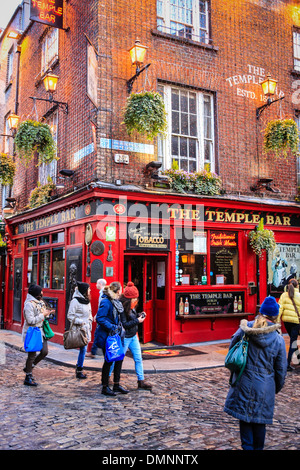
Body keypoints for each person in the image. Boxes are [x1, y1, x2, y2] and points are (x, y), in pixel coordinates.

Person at [224, 296, 287, 450]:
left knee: (245, 424)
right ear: (275, 315)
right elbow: (281, 370)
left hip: (244, 382)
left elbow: (232, 352)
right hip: (265, 387)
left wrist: (235, 374)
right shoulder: (278, 340)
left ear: (261, 312)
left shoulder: (245, 329)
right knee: (259, 423)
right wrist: (275, 388)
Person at [95, 281, 128, 396]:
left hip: (116, 335)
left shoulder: (116, 301)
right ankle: (105, 387)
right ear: (118, 291)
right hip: (107, 336)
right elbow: (100, 318)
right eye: (120, 291)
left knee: (119, 358)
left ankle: (116, 384)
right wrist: (112, 326)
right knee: (108, 361)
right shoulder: (106, 302)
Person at [119, 281, 152, 390]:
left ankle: (141, 381)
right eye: (135, 299)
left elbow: (132, 318)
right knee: (118, 359)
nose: (136, 301)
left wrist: (139, 315)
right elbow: (125, 324)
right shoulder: (123, 309)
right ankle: (111, 379)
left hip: (133, 336)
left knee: (138, 358)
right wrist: (138, 320)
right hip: (125, 338)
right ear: (129, 300)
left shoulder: (132, 307)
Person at [22, 284, 54, 386]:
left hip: (41, 332)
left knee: (44, 351)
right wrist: (42, 315)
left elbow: (42, 317)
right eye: (41, 291)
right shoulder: (29, 304)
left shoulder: (40, 303)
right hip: (32, 332)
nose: (42, 293)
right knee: (31, 355)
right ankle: (28, 376)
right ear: (36, 293)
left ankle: (29, 367)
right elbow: (30, 320)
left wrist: (47, 314)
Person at [67, 281, 93, 379]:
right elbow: (70, 315)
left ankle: (79, 369)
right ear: (84, 291)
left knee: (83, 349)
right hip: (79, 328)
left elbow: (89, 312)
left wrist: (90, 319)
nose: (90, 290)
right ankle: (79, 370)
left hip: (86, 328)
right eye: (88, 289)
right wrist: (80, 321)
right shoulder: (75, 301)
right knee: (83, 349)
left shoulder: (87, 300)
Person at [278, 279, 300, 371]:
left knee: (292, 340)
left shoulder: (283, 295)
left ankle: (298, 358)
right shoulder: (299, 296)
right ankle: (287, 364)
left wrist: (277, 321)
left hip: (286, 321)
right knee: (293, 342)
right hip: (296, 322)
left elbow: (280, 308)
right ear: (297, 286)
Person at [88, 278, 107, 358]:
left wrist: (97, 315)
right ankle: (94, 351)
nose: (95, 285)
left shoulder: (103, 293)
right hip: (102, 316)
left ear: (100, 284)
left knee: (97, 333)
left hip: (102, 317)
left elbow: (102, 306)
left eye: (96, 283)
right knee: (98, 333)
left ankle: (94, 352)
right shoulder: (103, 292)